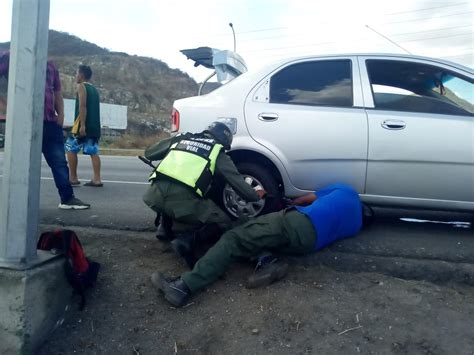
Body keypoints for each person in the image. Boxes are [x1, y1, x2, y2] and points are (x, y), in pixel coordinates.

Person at [151, 183, 363, 307]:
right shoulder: (356, 225)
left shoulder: (347, 189)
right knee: (248, 229)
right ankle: (267, 259)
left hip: (296, 222)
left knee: (234, 240)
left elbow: (306, 199)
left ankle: (182, 287)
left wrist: (290, 203)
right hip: (306, 244)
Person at [142, 121, 266, 249]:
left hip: (152, 197)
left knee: (172, 188)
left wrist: (176, 139)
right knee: (223, 221)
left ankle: (164, 227)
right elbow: (237, 182)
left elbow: (149, 153)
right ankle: (187, 241)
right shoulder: (217, 153)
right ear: (224, 141)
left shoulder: (183, 139)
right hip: (180, 203)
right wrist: (257, 196)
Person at [0, 51, 90, 210]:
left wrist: (61, 113)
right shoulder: (11, 56)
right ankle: (13, 204)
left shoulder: (50, 64)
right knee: (18, 164)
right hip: (22, 124)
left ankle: (67, 199)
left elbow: (56, 92)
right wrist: (7, 108)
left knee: (59, 162)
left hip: (49, 122)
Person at [65, 65, 102, 187]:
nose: (76, 76)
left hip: (82, 125)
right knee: (93, 151)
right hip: (94, 126)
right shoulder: (94, 90)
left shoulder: (81, 87)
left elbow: (83, 106)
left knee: (70, 148)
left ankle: (73, 178)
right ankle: (97, 179)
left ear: (81, 75)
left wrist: (82, 126)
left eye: (76, 73)